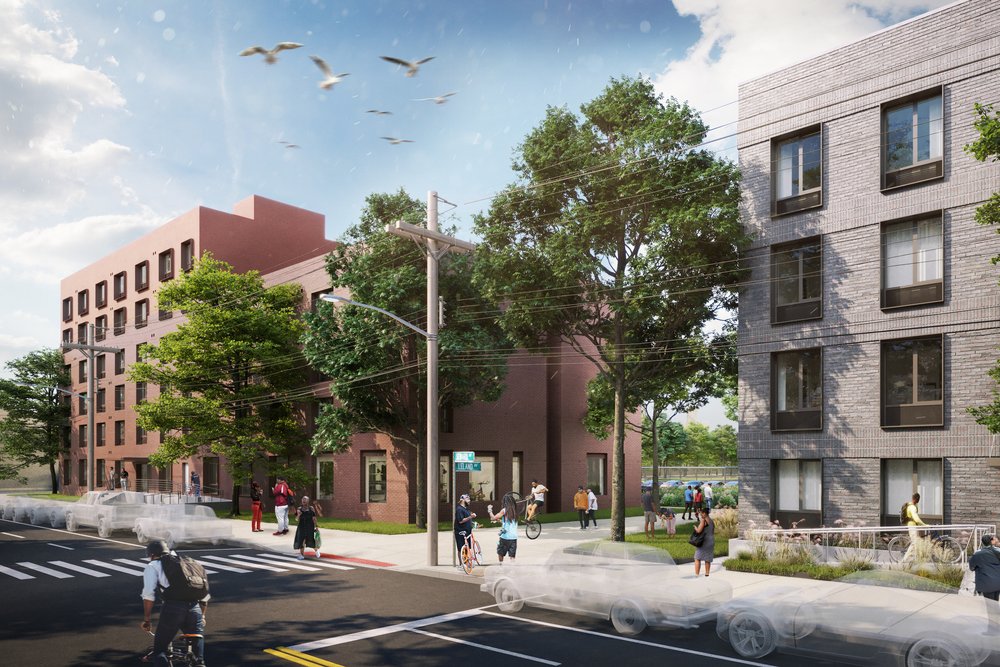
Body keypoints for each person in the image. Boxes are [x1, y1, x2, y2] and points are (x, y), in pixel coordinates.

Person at [140, 540, 207, 667]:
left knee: (160, 650)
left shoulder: (153, 565)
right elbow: (205, 595)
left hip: (173, 609)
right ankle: (199, 662)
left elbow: (148, 595)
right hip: (195, 608)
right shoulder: (188, 563)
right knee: (197, 647)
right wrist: (202, 615)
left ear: (152, 554)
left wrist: (147, 619)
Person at [969, 534, 1000, 602]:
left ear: (982, 542)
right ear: (991, 541)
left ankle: (993, 612)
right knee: (995, 602)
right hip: (998, 583)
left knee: (990, 605)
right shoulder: (998, 551)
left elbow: (971, 567)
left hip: (986, 584)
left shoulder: (977, 554)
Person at [489, 494, 518, 565]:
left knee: (500, 553)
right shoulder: (514, 510)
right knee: (512, 555)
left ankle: (501, 566)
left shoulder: (504, 510)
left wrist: (489, 510)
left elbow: (493, 518)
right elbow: (510, 522)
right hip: (514, 537)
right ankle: (512, 568)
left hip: (505, 537)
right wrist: (500, 521)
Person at [902, 492, 927, 562]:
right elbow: (916, 519)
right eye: (918, 499)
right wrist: (924, 525)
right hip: (912, 527)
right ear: (916, 499)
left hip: (913, 526)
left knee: (918, 542)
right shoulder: (912, 507)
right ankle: (904, 560)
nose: (919, 500)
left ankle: (917, 559)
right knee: (914, 543)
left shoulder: (911, 506)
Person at [692, 507, 715, 577]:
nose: (700, 515)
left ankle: (696, 574)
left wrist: (695, 528)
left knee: (697, 558)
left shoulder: (703, 520)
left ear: (704, 513)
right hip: (711, 541)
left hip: (704, 542)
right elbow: (712, 531)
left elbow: (699, 531)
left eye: (701, 514)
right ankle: (707, 573)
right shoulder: (711, 521)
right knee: (707, 558)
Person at [454, 493, 476, 564]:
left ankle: (466, 562)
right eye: (468, 499)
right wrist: (471, 517)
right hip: (460, 532)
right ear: (462, 500)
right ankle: (461, 564)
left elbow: (467, 519)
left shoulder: (465, 509)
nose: (469, 501)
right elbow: (460, 521)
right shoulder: (459, 509)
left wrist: (472, 523)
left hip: (467, 531)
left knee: (467, 548)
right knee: (461, 548)